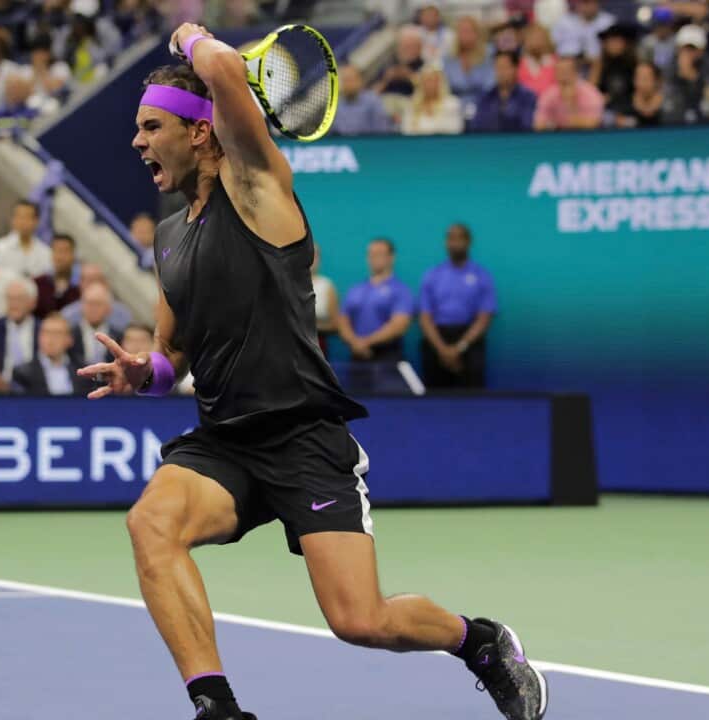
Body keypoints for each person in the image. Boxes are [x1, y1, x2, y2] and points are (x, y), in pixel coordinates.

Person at [76, 28, 546, 720]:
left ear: (201, 131)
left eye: (152, 126)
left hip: (304, 437)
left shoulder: (258, 186)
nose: (138, 142)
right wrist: (142, 372)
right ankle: (217, 708)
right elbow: (173, 355)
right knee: (152, 522)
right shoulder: (168, 233)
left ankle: (478, 642)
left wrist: (190, 33)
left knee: (361, 620)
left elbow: (226, 74)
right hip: (225, 440)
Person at [417, 224, 497, 389]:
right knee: (434, 396)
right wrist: (442, 349)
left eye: (459, 238)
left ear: (468, 241)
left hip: (468, 340)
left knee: (471, 396)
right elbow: (424, 317)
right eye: (450, 238)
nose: (454, 243)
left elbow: (484, 317)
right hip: (437, 339)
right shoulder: (433, 275)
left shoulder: (481, 275)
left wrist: (460, 347)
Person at [336, 238, 415, 393]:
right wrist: (355, 343)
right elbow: (342, 320)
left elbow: (399, 325)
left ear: (391, 257)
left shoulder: (400, 290)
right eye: (371, 254)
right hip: (357, 359)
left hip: (387, 359)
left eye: (379, 254)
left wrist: (366, 342)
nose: (374, 258)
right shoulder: (356, 290)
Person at [12, 312, 97, 396]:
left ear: (69, 340)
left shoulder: (84, 372)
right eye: (46, 333)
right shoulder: (22, 373)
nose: (50, 339)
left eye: (57, 334)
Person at [662, 25, 709, 124]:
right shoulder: (671, 66)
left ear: (701, 50)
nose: (688, 53)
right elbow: (667, 98)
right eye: (685, 48)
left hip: (705, 115)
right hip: (677, 118)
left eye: (692, 48)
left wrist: (693, 77)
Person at [469, 51, 538, 132]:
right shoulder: (485, 97)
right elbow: (477, 125)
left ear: (515, 69)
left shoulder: (528, 97)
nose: (501, 72)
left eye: (505, 67)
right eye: (498, 68)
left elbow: (527, 125)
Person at [0, 276, 38, 379]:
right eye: (10, 298)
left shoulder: (43, 329)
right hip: (0, 389)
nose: (14, 304)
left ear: (33, 302)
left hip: (34, 388)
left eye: (19, 299)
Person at [534, 55, 606, 130]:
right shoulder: (548, 94)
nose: (562, 74)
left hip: (587, 137)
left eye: (566, 70)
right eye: (559, 70)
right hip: (558, 138)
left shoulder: (591, 93)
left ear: (576, 72)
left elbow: (593, 123)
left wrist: (571, 104)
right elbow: (538, 125)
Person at [552, 0, 616, 81]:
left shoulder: (608, 22)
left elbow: (614, 48)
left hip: (600, 64)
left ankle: (590, 91)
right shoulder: (564, 21)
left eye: (592, 2)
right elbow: (552, 47)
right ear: (578, 3)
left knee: (598, 64)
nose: (588, 7)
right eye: (585, 2)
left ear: (598, 3)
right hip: (570, 63)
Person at [442, 15, 494, 108]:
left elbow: (490, 85)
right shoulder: (449, 57)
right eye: (461, 31)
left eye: (469, 31)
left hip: (484, 104)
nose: (465, 35)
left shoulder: (488, 54)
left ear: (477, 33)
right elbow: (445, 86)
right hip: (455, 106)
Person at [70, 280, 125, 366]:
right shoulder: (70, 335)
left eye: (98, 304)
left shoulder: (120, 337)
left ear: (108, 308)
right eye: (89, 303)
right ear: (81, 306)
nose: (93, 308)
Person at [0, 200, 53, 278]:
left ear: (36, 221)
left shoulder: (46, 253)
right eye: (19, 217)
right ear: (12, 220)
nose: (23, 222)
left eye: (27, 217)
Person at [400, 66, 465, 135]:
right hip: (418, 144)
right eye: (426, 81)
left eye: (433, 80)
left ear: (441, 83)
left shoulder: (452, 103)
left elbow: (456, 128)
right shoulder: (412, 104)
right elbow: (406, 130)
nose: (429, 85)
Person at [332, 64, 393, 136]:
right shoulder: (335, 104)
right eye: (345, 80)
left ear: (360, 81)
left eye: (351, 80)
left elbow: (382, 131)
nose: (348, 84)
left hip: (368, 144)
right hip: (343, 145)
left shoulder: (372, 101)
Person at [35, 233, 80, 316]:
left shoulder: (81, 285)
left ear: (73, 255)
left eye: (65, 251)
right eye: (57, 251)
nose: (60, 257)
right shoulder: (38, 283)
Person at [616, 61, 666, 127]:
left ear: (658, 81)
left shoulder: (668, 108)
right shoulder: (624, 106)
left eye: (646, 78)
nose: (641, 83)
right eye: (638, 78)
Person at [311, 244, 338, 357]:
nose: (311, 258)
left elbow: (335, 324)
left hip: (318, 347)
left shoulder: (327, 285)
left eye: (315, 255)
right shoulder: (288, 284)